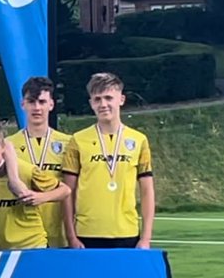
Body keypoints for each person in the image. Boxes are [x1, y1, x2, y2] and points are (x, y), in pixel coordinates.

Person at [62, 72, 155, 249]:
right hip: (86, 234)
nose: (103, 104)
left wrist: (146, 238)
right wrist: (71, 236)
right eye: (97, 99)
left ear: (121, 99)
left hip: (127, 233)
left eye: (108, 98)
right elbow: (67, 192)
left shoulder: (138, 140)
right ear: (91, 103)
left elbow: (147, 191)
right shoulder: (78, 140)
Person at [0, 119, 70, 250]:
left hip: (31, 246)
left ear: (3, 147)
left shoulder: (26, 171)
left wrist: (39, 197)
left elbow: (65, 190)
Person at [8, 76, 73, 248]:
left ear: (51, 104)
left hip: (59, 233)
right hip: (24, 236)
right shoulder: (8, 145)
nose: (37, 108)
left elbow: (71, 189)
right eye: (31, 101)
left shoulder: (68, 143)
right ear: (23, 104)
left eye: (42, 102)